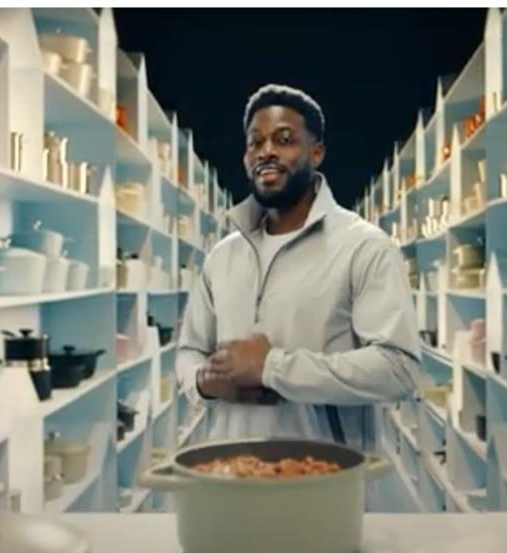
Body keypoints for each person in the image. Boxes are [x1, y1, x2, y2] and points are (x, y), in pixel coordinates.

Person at [176, 83, 420, 452]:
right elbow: (189, 350)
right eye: (255, 143)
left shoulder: (363, 246)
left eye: (284, 139)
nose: (266, 152)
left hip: (326, 479)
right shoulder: (222, 257)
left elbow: (399, 369)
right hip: (231, 473)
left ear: (316, 152)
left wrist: (271, 368)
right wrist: (206, 381)